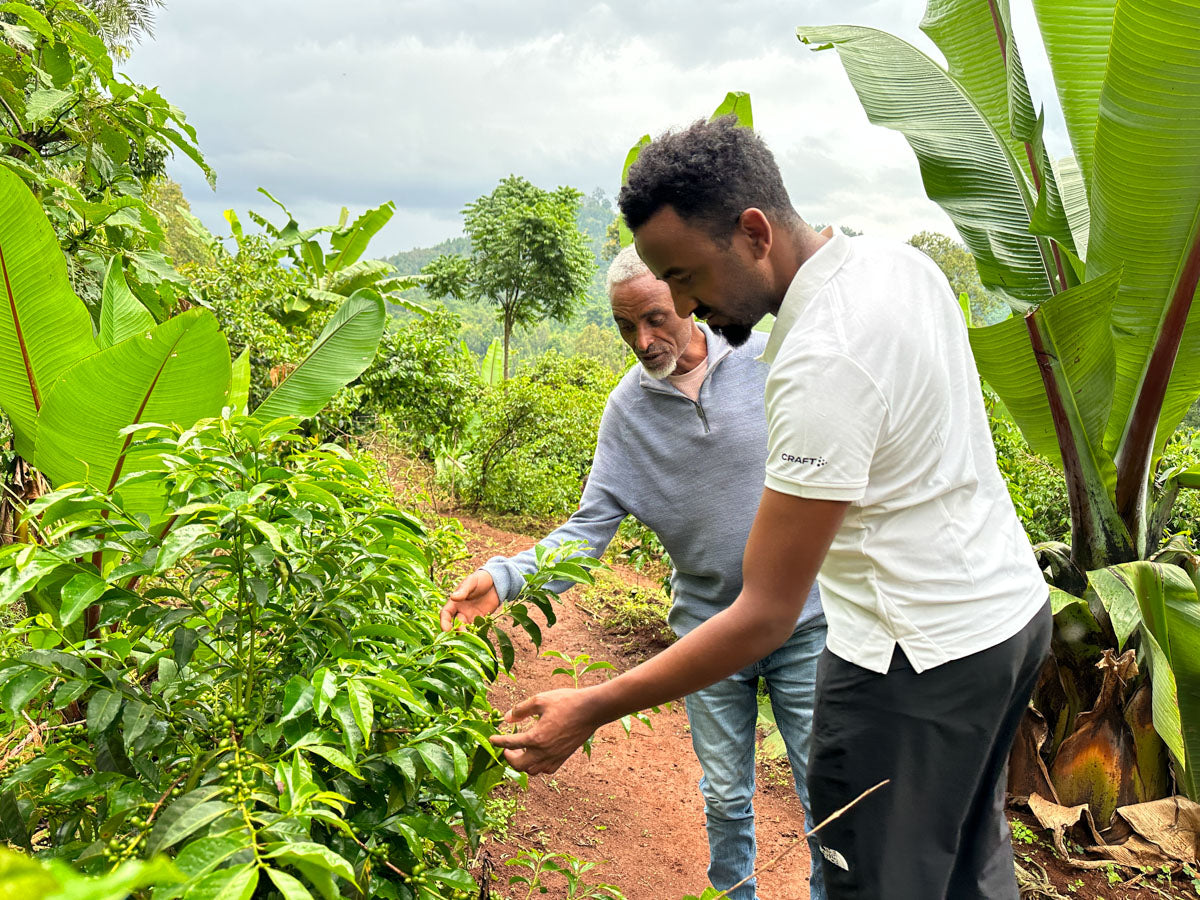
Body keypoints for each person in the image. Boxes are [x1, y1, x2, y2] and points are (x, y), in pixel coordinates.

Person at [489, 117, 1051, 900]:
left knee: (873, 880)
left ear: (754, 233)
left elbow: (765, 613)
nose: (682, 304)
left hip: (910, 663)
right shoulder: (900, 264)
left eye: (685, 276)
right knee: (970, 865)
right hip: (1006, 621)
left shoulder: (819, 357)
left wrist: (591, 705)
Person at [441, 245, 828, 900]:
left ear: (688, 298)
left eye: (654, 319)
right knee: (725, 796)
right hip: (709, 634)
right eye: (626, 326)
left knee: (826, 792)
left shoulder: (770, 360)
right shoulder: (627, 411)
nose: (642, 341)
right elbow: (588, 529)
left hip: (805, 621)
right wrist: (504, 579)